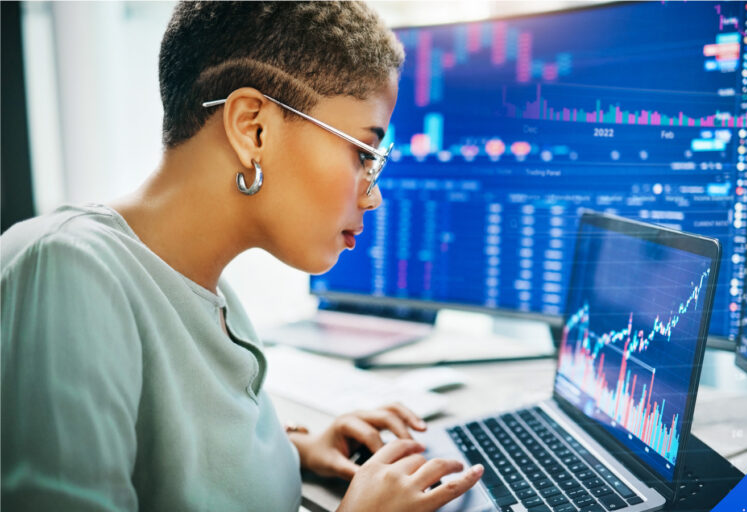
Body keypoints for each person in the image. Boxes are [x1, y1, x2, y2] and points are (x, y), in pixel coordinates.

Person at [0, 2, 482, 511]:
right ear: (253, 128)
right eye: (364, 153)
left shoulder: (210, 292)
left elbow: (172, 461)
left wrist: (289, 448)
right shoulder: (65, 272)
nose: (373, 195)